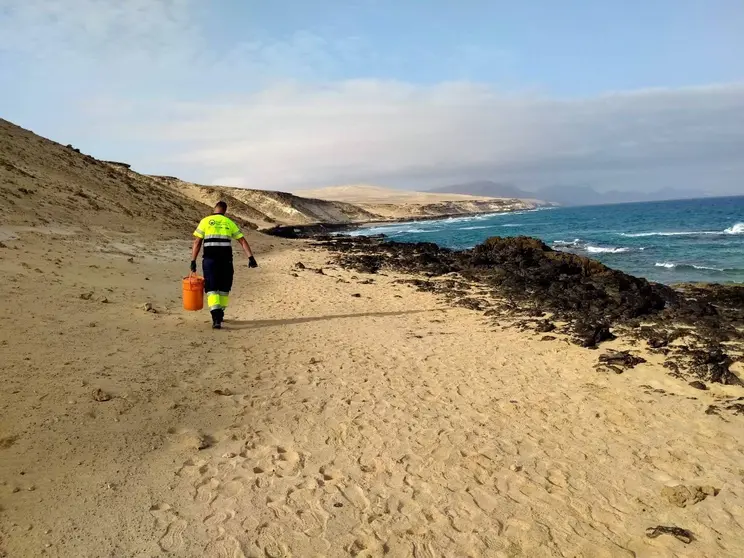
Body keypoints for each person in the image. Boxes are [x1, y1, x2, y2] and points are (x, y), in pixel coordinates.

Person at [191, 201, 257, 329]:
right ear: (225, 211)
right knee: (224, 288)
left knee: (211, 288)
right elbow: (242, 241)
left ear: (214, 209)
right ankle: (220, 313)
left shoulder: (205, 221)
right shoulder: (229, 222)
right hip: (226, 260)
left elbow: (197, 242)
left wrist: (193, 261)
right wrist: (251, 258)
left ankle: (216, 317)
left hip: (210, 260)